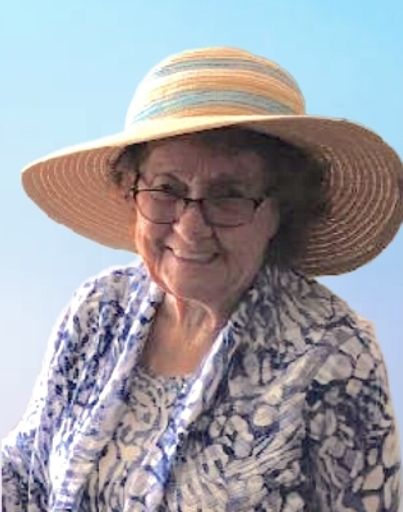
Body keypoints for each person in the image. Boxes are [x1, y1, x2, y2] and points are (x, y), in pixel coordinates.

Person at [2, 46, 401, 511]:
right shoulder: (99, 310)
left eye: (228, 195)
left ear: (280, 210)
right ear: (133, 191)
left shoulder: (332, 353)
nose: (190, 227)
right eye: (166, 189)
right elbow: (26, 471)